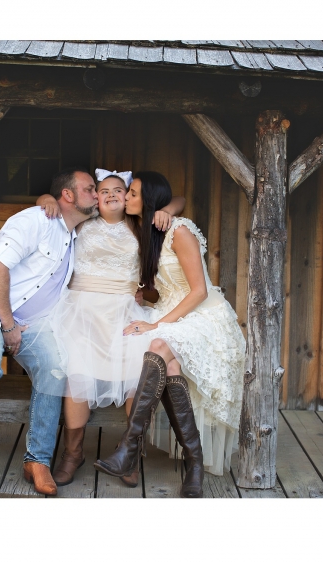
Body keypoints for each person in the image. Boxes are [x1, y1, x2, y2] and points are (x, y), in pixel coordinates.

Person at [93, 171, 247, 498]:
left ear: (147, 200)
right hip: (170, 312)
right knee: (169, 365)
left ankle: (127, 449)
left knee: (159, 342)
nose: (126, 198)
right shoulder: (145, 230)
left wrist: (156, 325)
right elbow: (161, 288)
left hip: (204, 315)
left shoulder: (178, 230)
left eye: (132, 193)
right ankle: (194, 462)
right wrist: (140, 296)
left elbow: (199, 291)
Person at [0, 167, 98, 496]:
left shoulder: (73, 236)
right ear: (67, 195)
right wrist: (8, 325)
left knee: (56, 367)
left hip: (35, 323)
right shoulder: (34, 220)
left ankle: (37, 460)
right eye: (90, 189)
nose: (97, 194)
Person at [35, 169, 184, 488]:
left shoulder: (138, 225)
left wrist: (167, 210)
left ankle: (129, 453)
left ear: (130, 196)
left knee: (138, 368)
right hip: (81, 310)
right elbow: (50, 202)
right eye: (104, 190)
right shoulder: (83, 220)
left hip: (122, 309)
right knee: (77, 371)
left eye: (120, 189)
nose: (113, 194)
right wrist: (46, 198)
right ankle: (73, 453)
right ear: (94, 198)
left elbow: (179, 200)